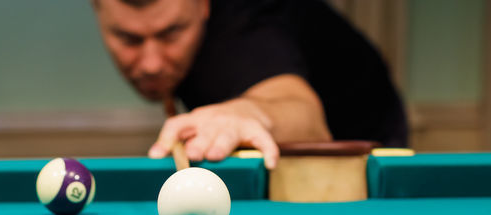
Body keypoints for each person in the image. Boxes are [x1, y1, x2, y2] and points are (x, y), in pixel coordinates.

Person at [92, 0, 409, 169]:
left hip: (365, 142)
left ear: (204, 5)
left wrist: (249, 113)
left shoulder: (245, 32)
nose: (151, 63)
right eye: (128, 38)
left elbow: (304, 116)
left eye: (171, 33)